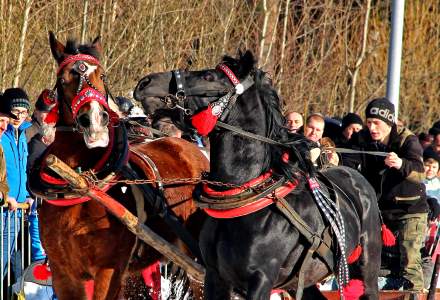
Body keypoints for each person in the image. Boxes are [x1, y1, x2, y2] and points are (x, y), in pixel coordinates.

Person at [342, 97, 428, 291]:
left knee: (410, 262)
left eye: (377, 123)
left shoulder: (407, 139)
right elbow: (346, 159)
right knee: (367, 259)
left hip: (409, 209)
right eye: (369, 122)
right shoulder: (362, 137)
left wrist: (401, 164)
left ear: (389, 123)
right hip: (379, 210)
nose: (372, 128)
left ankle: (415, 292)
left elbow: (420, 172)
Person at [0, 88, 33, 279]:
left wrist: (27, 196)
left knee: (5, 264)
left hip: (18, 209)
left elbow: (23, 171)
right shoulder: (3, 134)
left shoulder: (22, 136)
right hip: (4, 204)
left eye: (23, 112)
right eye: (15, 111)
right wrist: (6, 196)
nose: (19, 116)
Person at [26, 90, 55, 263]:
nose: (47, 116)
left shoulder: (54, 133)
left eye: (52, 112)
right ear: (36, 111)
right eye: (45, 111)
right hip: (32, 202)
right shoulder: (29, 133)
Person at [423, 147, 440, 220]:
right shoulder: (419, 181)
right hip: (424, 216)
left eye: (434, 167)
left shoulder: (437, 182)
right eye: (427, 166)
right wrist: (431, 199)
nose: (431, 169)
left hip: (436, 219)